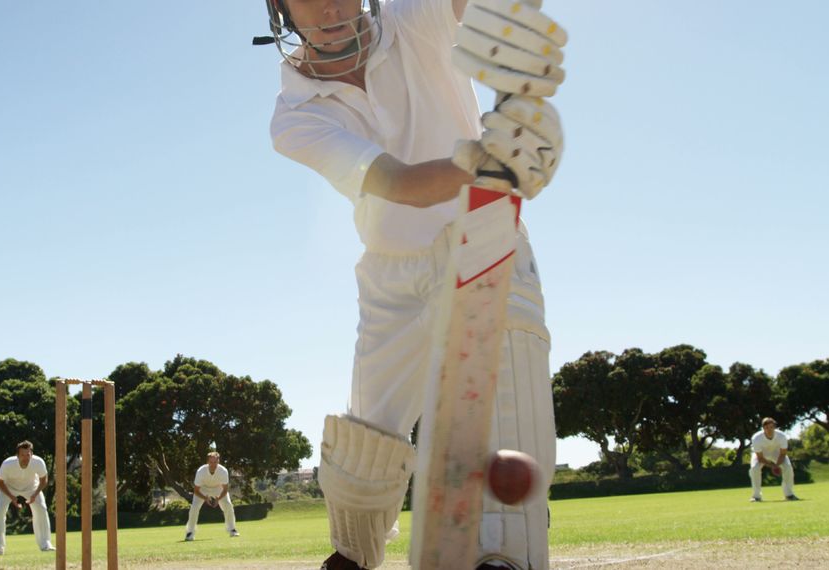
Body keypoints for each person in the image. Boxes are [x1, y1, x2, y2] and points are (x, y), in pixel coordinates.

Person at [259, 0, 565, 568]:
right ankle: (353, 553)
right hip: (390, 270)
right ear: (281, 10)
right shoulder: (294, 115)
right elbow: (401, 183)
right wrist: (490, 160)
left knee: (510, 378)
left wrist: (510, 19)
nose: (329, 6)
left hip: (482, 229)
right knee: (365, 440)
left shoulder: (414, 15)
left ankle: (503, 552)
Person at [0, 440, 54, 556]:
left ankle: (46, 544)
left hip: (31, 486)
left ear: (31, 454)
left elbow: (44, 480)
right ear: (17, 455)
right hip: (9, 487)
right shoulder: (8, 464)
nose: (25, 458)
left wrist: (35, 494)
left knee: (41, 509)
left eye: (28, 455)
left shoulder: (38, 462)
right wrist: (12, 497)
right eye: (22, 455)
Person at [184, 451, 239, 541]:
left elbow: (225, 489)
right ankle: (190, 532)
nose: (213, 464)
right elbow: (196, 490)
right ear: (207, 462)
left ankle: (232, 529)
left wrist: (219, 499)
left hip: (218, 488)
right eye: (211, 462)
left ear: (218, 462)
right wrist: (205, 498)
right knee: (194, 508)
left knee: (228, 505)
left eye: (215, 462)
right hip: (203, 489)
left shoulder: (223, 471)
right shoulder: (201, 471)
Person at [749, 417, 799, 502]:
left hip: (777, 453)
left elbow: (783, 454)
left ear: (774, 427)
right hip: (762, 454)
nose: (769, 429)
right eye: (767, 427)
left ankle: (789, 494)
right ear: (763, 428)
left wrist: (777, 465)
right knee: (754, 468)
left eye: (771, 427)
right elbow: (760, 458)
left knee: (788, 467)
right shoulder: (756, 438)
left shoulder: (781, 436)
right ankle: (756, 496)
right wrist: (772, 466)